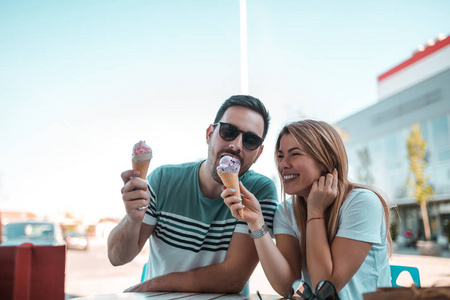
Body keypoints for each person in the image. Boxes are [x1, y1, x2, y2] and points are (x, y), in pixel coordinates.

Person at [107, 95, 279, 293]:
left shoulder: (259, 192)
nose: (236, 145)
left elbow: (232, 278)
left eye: (251, 140)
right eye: (228, 131)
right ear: (209, 134)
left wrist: (151, 285)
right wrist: (132, 219)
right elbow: (117, 257)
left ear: (258, 153)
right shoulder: (164, 180)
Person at [223, 120, 392, 300]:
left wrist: (315, 211)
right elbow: (287, 285)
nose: (283, 165)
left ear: (326, 159)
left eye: (294, 154)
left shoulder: (363, 203)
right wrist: (256, 223)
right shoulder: (286, 212)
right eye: (280, 156)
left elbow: (326, 287)